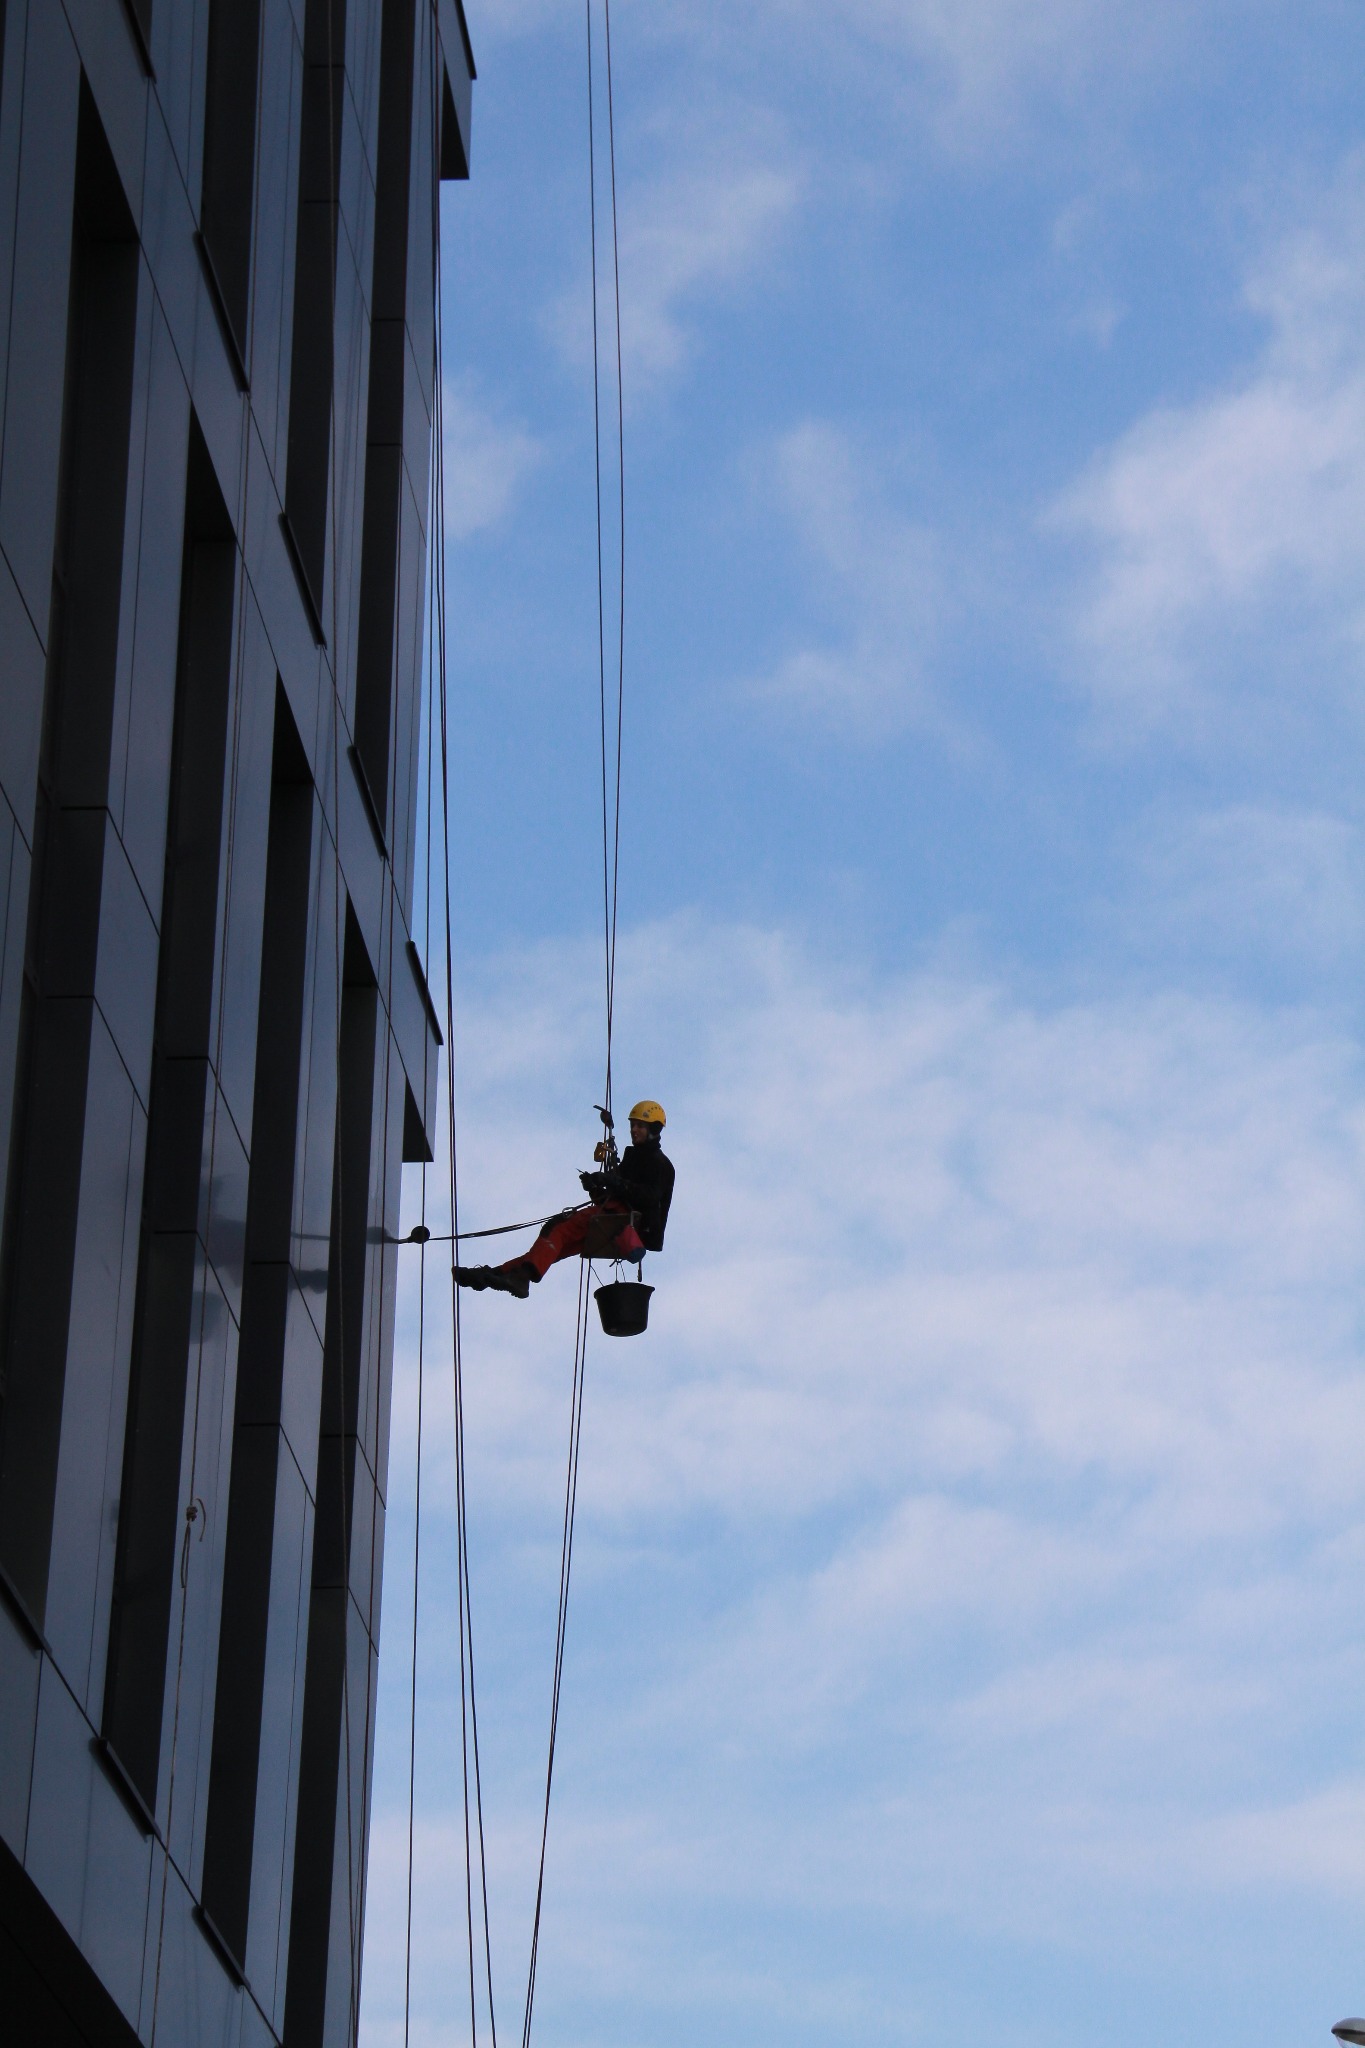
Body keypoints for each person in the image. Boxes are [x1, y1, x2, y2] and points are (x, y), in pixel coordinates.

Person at [454, 1100, 675, 1299]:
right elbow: (615, 1193)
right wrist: (595, 1186)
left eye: (640, 1126)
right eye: (632, 1125)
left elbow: (649, 1196)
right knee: (551, 1248)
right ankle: (493, 1275)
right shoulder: (634, 1158)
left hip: (624, 1220)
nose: (634, 1130)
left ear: (653, 1129)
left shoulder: (660, 1164)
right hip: (615, 1220)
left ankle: (518, 1279)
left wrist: (612, 1181)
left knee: (558, 1229)